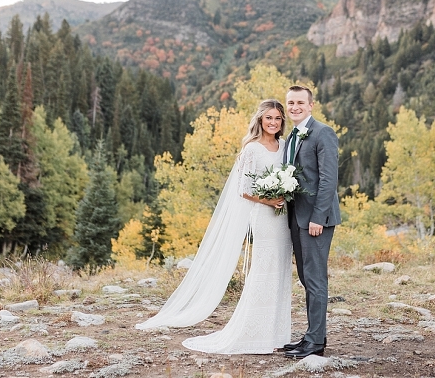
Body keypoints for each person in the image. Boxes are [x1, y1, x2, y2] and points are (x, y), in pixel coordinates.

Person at [136, 99, 293, 355]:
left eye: (277, 118)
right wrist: (268, 200)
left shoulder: (284, 145)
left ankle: (277, 334)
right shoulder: (251, 149)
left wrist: (285, 192)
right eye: (269, 118)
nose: (273, 123)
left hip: (283, 219)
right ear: (260, 121)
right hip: (264, 216)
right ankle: (254, 332)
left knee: (281, 271)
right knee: (263, 270)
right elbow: (243, 189)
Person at [281, 85, 341, 359]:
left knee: (316, 280)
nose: (295, 107)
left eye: (300, 102)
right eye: (291, 102)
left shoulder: (322, 132)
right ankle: (312, 335)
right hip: (297, 217)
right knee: (307, 279)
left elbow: (329, 179)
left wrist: (318, 217)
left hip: (316, 219)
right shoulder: (292, 136)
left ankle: (315, 342)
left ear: (311, 105)